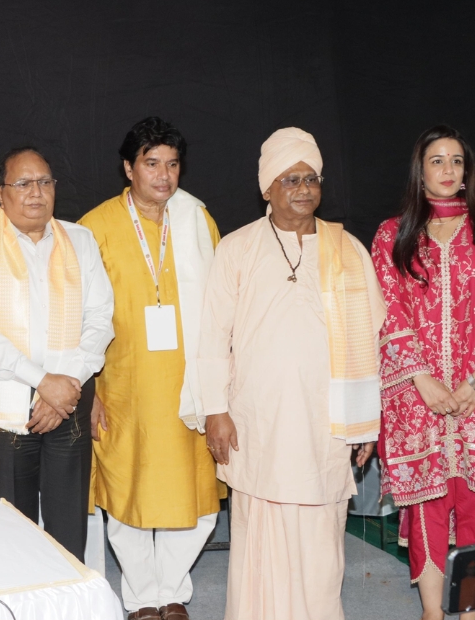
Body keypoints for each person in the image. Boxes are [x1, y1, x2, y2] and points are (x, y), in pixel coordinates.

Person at [199, 127, 385, 620]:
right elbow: (211, 337)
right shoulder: (237, 248)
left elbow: (370, 341)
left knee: (322, 534)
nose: (303, 188)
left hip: (326, 421)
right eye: (290, 179)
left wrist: (366, 421)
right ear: (266, 188)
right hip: (257, 418)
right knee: (259, 530)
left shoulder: (348, 250)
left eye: (311, 178)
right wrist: (215, 410)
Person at [372, 125, 475, 620]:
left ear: (467, 172)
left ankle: (469, 613)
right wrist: (422, 379)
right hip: (416, 393)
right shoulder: (392, 234)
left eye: (456, 161)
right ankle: (432, 612)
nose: (447, 170)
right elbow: (388, 312)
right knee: (425, 505)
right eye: (437, 161)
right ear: (420, 171)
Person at [78, 117, 223, 620]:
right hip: (123, 384)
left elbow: (222, 304)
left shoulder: (196, 220)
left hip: (189, 384)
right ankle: (141, 596)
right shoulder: (93, 227)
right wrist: (88, 390)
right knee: (128, 489)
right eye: (152, 163)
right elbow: (75, 317)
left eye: (173, 164)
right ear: (129, 168)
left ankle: (172, 589)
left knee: (196, 494)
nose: (164, 176)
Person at [0, 146, 114, 559]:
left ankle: (68, 594)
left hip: (71, 394)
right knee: (13, 525)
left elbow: (101, 319)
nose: (36, 192)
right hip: (8, 396)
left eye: (45, 182)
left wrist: (65, 384)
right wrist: (43, 382)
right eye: (23, 183)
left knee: (68, 525)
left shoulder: (80, 240)